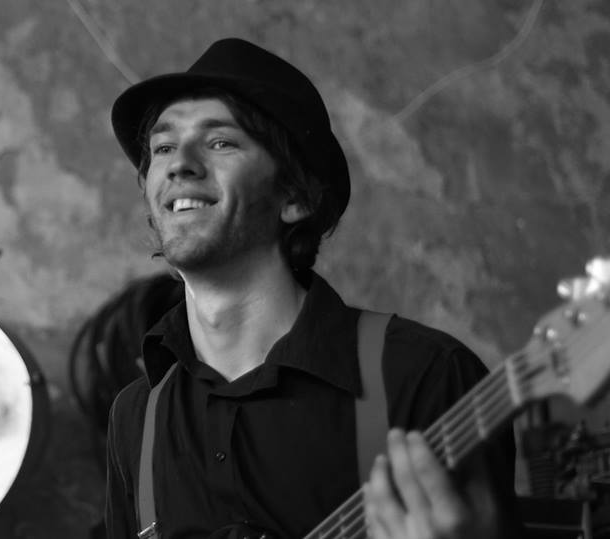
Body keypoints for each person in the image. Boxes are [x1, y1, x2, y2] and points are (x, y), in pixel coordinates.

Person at [104, 38, 519, 538]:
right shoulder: (137, 418)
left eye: (220, 143)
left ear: (295, 197)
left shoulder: (424, 377)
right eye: (164, 147)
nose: (179, 164)